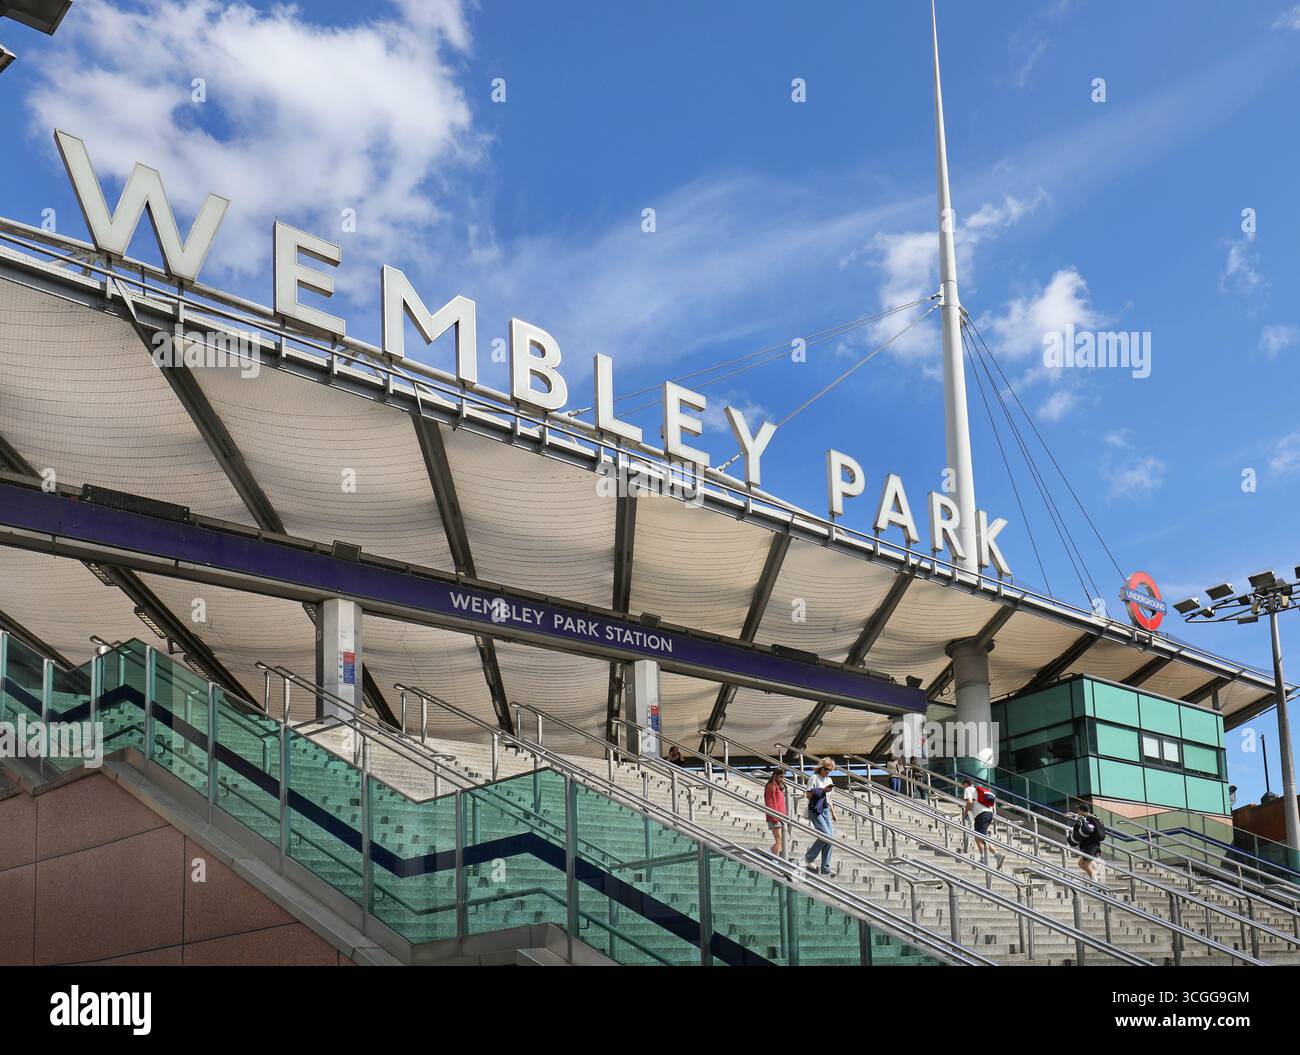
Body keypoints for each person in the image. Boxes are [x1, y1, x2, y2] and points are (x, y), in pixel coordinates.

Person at [803, 757, 837, 875]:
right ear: (821, 767)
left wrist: (833, 812)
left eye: (830, 770)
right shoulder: (814, 777)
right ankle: (809, 857)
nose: (827, 771)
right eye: (826, 769)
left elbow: (829, 798)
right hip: (816, 810)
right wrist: (822, 790)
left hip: (826, 809)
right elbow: (807, 794)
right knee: (826, 835)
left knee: (831, 838)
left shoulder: (829, 779)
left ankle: (825, 867)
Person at [961, 777, 1005, 868]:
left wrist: (965, 812)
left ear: (965, 784)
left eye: (963, 786)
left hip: (981, 814)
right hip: (988, 813)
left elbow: (969, 802)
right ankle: (983, 857)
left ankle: (997, 855)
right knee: (978, 836)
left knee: (980, 837)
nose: (963, 788)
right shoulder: (977, 790)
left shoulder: (968, 789)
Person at [1069, 803, 1106, 881]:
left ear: (1083, 811)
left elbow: (1082, 829)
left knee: (1086, 865)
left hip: (1090, 846)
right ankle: (1095, 878)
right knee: (1081, 863)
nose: (1078, 812)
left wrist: (1079, 820)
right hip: (1094, 845)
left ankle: (1096, 884)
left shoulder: (1088, 819)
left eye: (1079, 810)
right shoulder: (1093, 817)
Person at [764, 768, 788, 856]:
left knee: (780, 841)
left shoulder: (777, 787)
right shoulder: (771, 786)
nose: (782, 779)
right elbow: (770, 802)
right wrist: (774, 817)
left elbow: (780, 803)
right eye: (780, 777)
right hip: (775, 817)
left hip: (780, 817)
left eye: (783, 777)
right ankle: (771, 857)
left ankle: (772, 857)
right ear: (775, 776)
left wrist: (785, 814)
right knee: (779, 841)